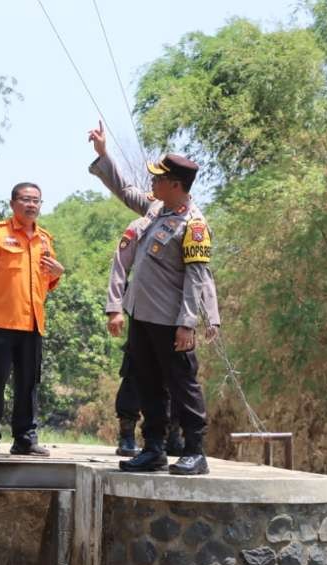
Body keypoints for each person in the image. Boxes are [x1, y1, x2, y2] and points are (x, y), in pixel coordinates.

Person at [89, 121, 220, 475]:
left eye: (159, 178)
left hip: (171, 322)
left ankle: (195, 450)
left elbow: (196, 278)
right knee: (147, 381)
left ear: (175, 185)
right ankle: (154, 447)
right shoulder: (156, 210)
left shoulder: (193, 226)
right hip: (143, 318)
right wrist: (104, 156)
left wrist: (186, 324)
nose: (152, 182)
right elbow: (126, 189)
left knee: (182, 385)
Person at [0, 182, 64, 456]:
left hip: (32, 324)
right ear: (13, 203)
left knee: (28, 384)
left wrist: (58, 272)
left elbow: (46, 282)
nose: (31, 205)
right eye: (25, 199)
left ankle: (25, 438)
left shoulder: (45, 239)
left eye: (36, 200)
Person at [110, 218, 184, 458]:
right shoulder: (141, 225)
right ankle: (128, 435)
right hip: (141, 309)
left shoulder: (187, 223)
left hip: (173, 311)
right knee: (135, 372)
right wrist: (115, 308)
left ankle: (172, 436)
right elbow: (120, 266)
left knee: (175, 375)